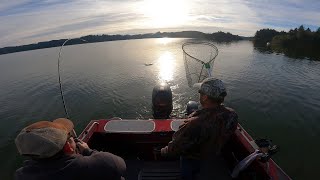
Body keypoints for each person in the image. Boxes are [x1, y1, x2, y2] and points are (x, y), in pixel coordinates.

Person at [161, 77, 238, 180]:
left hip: (194, 161)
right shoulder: (232, 115)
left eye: (200, 92)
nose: (199, 95)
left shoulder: (194, 124)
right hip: (214, 157)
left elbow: (175, 149)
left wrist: (162, 152)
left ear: (205, 97)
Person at [15, 118, 126, 180]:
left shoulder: (21, 175)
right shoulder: (103, 163)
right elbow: (121, 165)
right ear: (68, 146)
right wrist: (88, 151)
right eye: (70, 137)